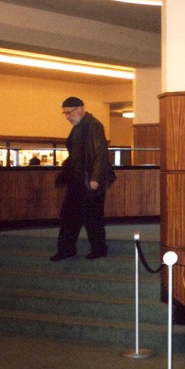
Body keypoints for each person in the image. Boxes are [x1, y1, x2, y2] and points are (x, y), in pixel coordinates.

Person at [51, 96, 115, 261]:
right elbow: (76, 156)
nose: (67, 117)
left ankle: (98, 249)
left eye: (68, 113)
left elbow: (100, 154)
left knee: (92, 217)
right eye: (64, 114)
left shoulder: (93, 126)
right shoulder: (79, 126)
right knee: (69, 216)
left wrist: (95, 178)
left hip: (89, 181)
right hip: (78, 180)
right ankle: (66, 249)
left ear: (79, 109)